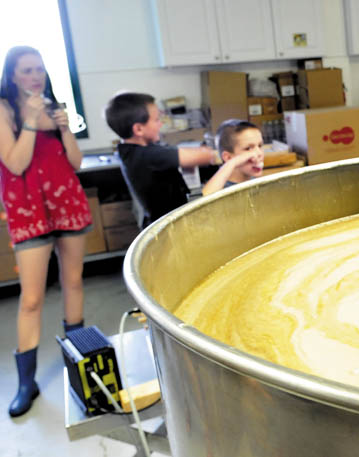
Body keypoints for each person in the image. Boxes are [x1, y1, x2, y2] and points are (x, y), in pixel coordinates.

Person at [0, 46, 91, 417]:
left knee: (73, 283)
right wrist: (35, 123)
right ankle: (27, 383)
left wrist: (65, 127)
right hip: (28, 211)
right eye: (26, 70)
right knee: (32, 299)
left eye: (39, 69)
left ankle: (79, 363)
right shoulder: (4, 111)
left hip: (67, 202)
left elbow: (76, 160)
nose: (35, 76)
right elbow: (16, 162)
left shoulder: (53, 106)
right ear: (11, 76)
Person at [104, 92, 218, 228]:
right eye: (157, 120)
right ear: (139, 129)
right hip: (165, 227)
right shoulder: (146, 155)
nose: (161, 123)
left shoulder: (131, 150)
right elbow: (204, 156)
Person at [201, 119, 264, 196]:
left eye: (260, 146)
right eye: (248, 148)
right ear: (228, 158)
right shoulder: (222, 190)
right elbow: (204, 199)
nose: (259, 153)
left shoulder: (255, 181)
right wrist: (233, 163)